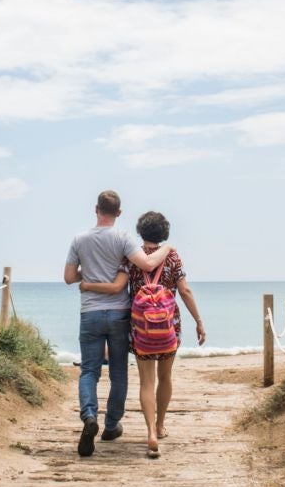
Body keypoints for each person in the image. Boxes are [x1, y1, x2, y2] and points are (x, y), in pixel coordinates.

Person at [81, 211, 204, 458]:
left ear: (140, 232)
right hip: (169, 325)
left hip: (140, 328)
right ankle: (160, 426)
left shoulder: (132, 257)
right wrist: (199, 321)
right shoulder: (172, 257)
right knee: (165, 377)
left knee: (147, 381)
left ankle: (148, 431)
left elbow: (118, 287)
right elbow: (185, 290)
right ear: (164, 233)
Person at [64, 191, 172, 458]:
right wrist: (168, 248)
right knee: (118, 372)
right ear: (119, 213)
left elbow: (69, 277)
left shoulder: (79, 239)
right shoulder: (123, 238)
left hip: (90, 312)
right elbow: (147, 263)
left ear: (96, 209)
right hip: (119, 313)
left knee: (89, 371)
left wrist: (86, 273)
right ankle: (111, 425)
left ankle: (89, 415)